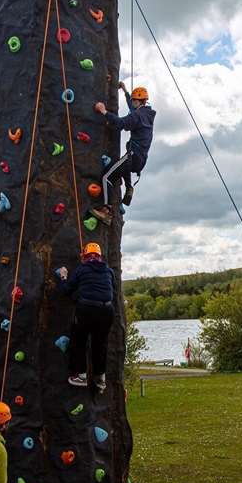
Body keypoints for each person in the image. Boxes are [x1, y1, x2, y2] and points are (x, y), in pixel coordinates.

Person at [90, 82, 156, 225]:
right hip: (141, 159)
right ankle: (129, 186)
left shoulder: (137, 115)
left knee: (106, 176)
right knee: (122, 166)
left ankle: (105, 211)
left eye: (134, 100)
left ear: (140, 101)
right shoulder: (146, 114)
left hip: (133, 155)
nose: (133, 102)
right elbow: (132, 108)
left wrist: (104, 112)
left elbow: (121, 123)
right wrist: (125, 91)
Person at [59, 242, 115, 392]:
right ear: (99, 257)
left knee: (78, 341)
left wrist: (64, 277)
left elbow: (67, 291)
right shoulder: (108, 271)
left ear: (85, 257)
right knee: (100, 344)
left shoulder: (81, 269)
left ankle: (81, 376)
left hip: (88, 310)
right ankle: (101, 379)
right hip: (107, 310)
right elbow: (113, 288)